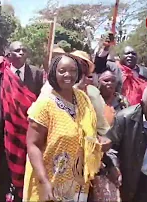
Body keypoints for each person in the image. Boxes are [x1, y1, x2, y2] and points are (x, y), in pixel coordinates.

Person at [24, 54, 109, 201]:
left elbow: (86, 133)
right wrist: (44, 181)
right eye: (62, 70)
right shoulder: (44, 105)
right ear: (53, 73)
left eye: (72, 71)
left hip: (78, 183)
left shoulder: (83, 99)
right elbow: (33, 145)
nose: (67, 75)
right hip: (50, 181)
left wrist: (99, 141)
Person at [0, 41, 44, 201]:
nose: (21, 53)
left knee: (27, 174)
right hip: (5, 134)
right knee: (4, 176)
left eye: (24, 50)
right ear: (8, 55)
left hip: (30, 134)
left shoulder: (36, 74)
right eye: (17, 50)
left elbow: (41, 103)